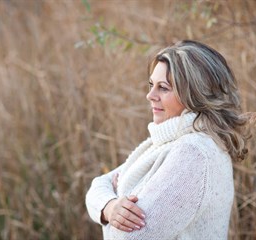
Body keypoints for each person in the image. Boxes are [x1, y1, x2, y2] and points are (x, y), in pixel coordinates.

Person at [85, 40, 246, 239]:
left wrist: (119, 194)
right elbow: (98, 184)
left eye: (163, 88)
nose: (150, 95)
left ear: (194, 94)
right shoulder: (167, 142)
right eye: (151, 85)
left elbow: (128, 237)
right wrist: (110, 207)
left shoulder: (194, 153)